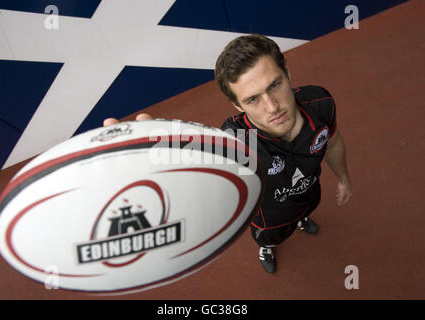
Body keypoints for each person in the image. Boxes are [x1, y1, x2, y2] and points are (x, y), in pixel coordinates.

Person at [104, 34, 352, 274]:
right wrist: (148, 156)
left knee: (307, 209)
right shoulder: (236, 141)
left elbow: (332, 142)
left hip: (309, 195)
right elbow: (192, 163)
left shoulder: (320, 103)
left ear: (287, 73)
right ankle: (266, 248)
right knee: (270, 239)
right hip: (270, 220)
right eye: (253, 99)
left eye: (275, 85)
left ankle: (301, 219)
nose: (272, 106)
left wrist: (343, 178)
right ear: (237, 105)